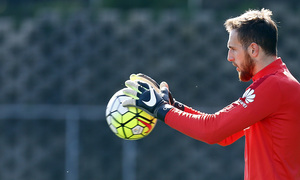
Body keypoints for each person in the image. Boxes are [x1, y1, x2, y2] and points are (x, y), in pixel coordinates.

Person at [122, 9, 300, 180]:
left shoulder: (273, 86)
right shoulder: (276, 83)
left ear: (253, 50)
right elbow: (223, 134)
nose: (229, 57)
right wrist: (173, 106)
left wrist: (161, 110)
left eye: (233, 49)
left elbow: (213, 130)